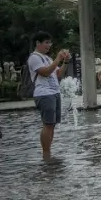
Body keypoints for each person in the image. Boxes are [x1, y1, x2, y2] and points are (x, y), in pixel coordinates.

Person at [27, 32, 70, 161]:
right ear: (37, 43)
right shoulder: (34, 57)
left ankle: (48, 153)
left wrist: (65, 62)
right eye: (46, 42)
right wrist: (58, 58)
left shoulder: (48, 58)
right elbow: (45, 73)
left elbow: (58, 74)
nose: (49, 45)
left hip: (54, 92)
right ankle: (46, 154)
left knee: (52, 124)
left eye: (50, 43)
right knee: (47, 124)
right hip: (44, 94)